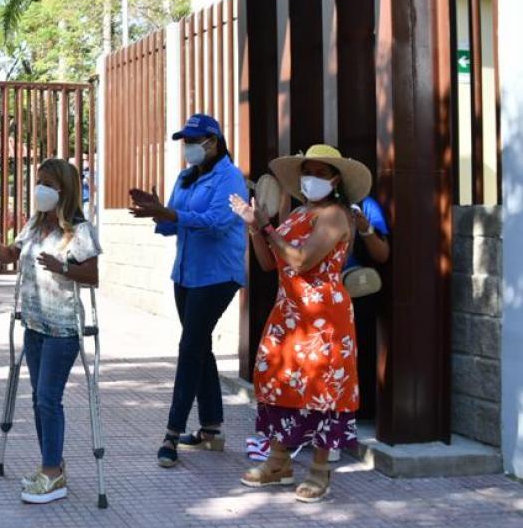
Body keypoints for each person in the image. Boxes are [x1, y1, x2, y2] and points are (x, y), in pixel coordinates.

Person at [229, 144, 370, 503]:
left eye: (321, 172)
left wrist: (267, 226)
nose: (312, 179)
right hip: (289, 313)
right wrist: (254, 229)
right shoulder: (298, 214)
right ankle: (279, 461)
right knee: (278, 380)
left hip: (323, 316)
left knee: (323, 386)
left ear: (336, 179)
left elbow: (303, 261)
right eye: (308, 171)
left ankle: (320, 468)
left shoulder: (336, 215)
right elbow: (268, 263)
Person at [128, 114, 247, 469]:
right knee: (200, 345)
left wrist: (170, 213)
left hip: (218, 275)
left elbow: (217, 223)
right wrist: (156, 213)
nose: (189, 148)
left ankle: (171, 434)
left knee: (190, 347)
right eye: (186, 141)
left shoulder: (231, 178)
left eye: (195, 141)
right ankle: (211, 428)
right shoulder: (185, 177)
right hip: (186, 273)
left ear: (214, 142)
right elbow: (171, 227)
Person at [0, 159, 100, 504]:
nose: (40, 190)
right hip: (33, 323)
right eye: (38, 182)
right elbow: (9, 256)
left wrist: (64, 267)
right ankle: (52, 465)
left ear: (63, 189)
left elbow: (92, 275)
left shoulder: (78, 230)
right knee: (37, 400)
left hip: (62, 328)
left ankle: (53, 474)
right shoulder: (34, 224)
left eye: (47, 183)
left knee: (49, 398)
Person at [346, 192, 390, 422]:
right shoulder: (309, 208)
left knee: (358, 350)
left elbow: (382, 254)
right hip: (318, 295)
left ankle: (357, 411)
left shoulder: (365, 205)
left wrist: (365, 228)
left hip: (357, 291)